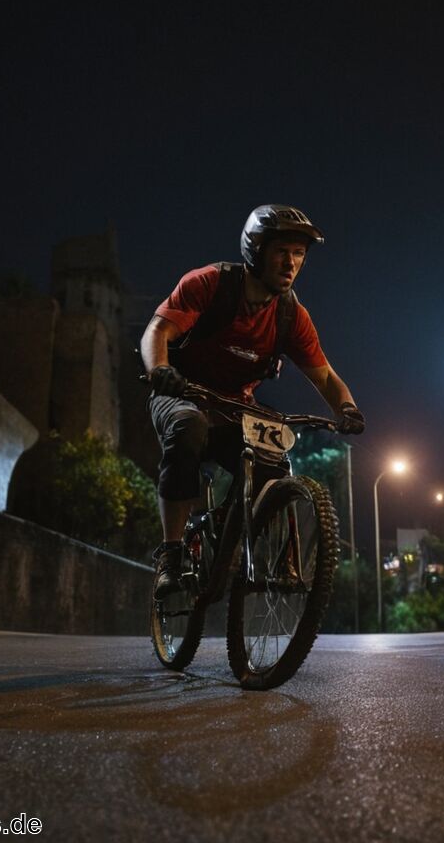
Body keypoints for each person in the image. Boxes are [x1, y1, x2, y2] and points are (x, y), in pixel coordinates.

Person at [140, 204, 365, 597]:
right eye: (282, 251)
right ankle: (171, 555)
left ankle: (244, 539)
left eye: (299, 254)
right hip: (181, 392)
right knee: (188, 426)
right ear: (256, 249)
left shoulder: (291, 316)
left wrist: (346, 408)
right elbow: (157, 330)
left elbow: (325, 376)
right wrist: (161, 369)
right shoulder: (209, 283)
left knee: (275, 458)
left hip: (234, 408)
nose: (291, 262)